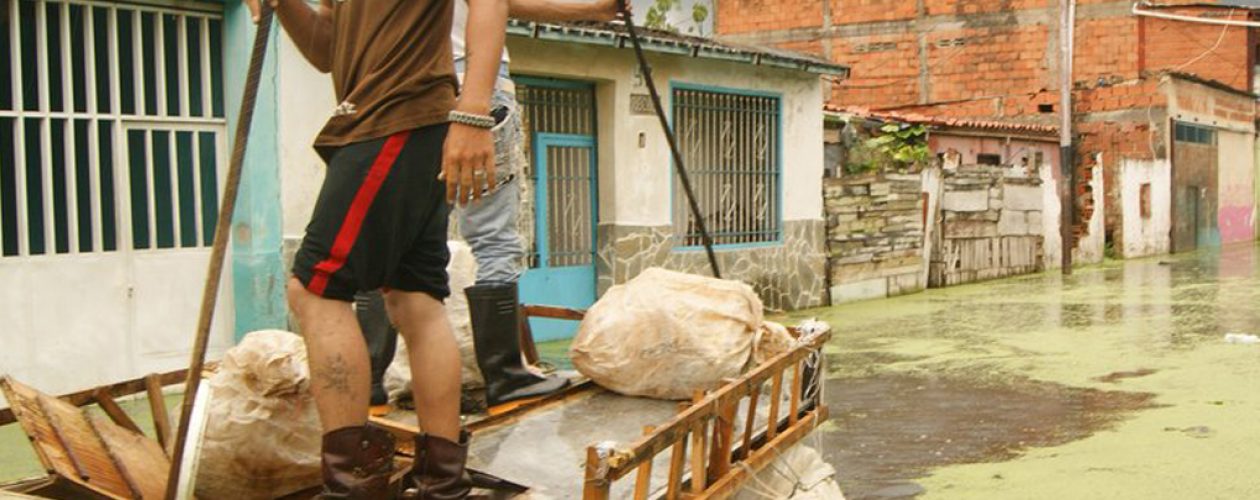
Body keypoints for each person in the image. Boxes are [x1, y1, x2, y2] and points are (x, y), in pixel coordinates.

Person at [244, 0, 509, 497]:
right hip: (387, 122)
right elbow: (327, 47)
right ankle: (441, 479)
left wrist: (472, 113)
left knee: (316, 290)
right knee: (414, 298)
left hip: (398, 116)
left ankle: (352, 483)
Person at [356, 0, 622, 416]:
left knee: (392, 241)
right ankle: (504, 374)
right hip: (475, 83)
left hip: (401, 90)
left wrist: (590, 9)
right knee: (493, 240)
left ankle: (369, 378)